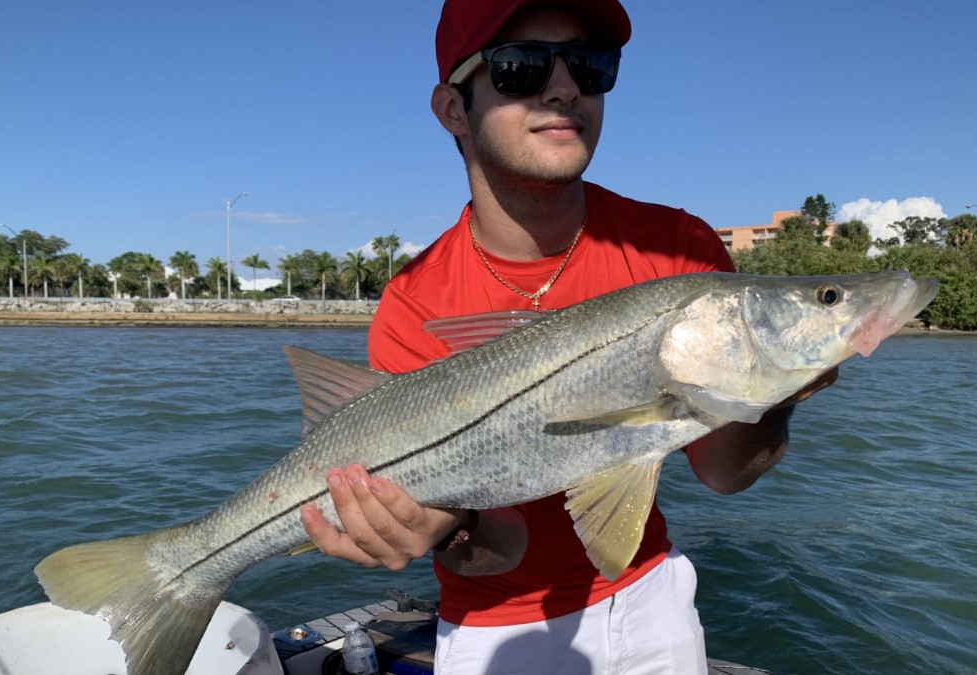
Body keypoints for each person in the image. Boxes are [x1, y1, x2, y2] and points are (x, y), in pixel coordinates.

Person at [299, 1, 836, 673]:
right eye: (519, 67)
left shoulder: (676, 248)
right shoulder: (414, 301)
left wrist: (775, 390)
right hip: (493, 624)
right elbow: (493, 548)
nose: (563, 88)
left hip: (651, 596)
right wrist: (439, 526)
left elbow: (723, 473)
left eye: (588, 65)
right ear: (452, 110)